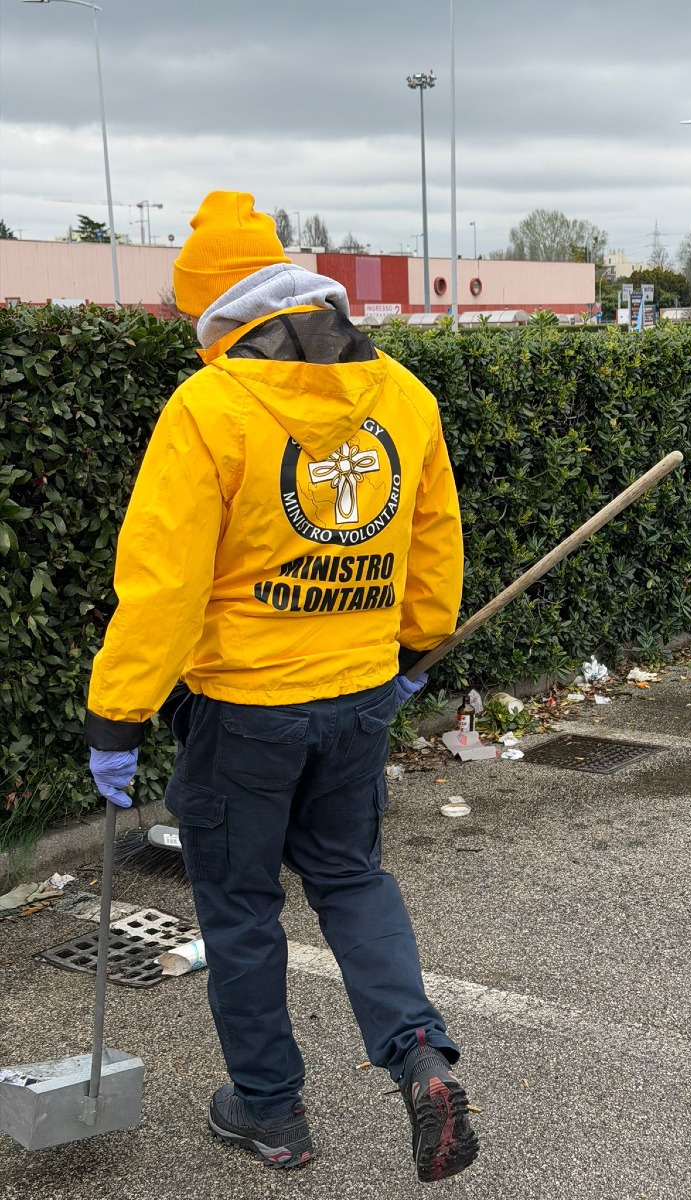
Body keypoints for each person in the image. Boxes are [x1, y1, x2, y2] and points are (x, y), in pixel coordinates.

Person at [84, 191, 478, 1182]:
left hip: (244, 714)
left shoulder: (210, 407)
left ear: (220, 310)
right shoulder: (404, 396)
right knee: (351, 878)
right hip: (357, 699)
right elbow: (433, 551)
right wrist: (417, 651)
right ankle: (421, 1058)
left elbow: (165, 584)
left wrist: (118, 712)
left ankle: (271, 1113)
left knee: (244, 913)